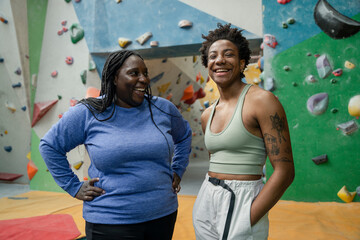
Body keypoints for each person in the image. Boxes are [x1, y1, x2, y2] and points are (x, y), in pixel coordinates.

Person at [39, 50, 192, 240]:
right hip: (110, 221)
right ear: (113, 78)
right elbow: (49, 146)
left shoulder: (162, 108)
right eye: (134, 73)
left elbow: (184, 135)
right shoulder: (89, 112)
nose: (143, 79)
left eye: (145, 73)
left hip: (162, 215)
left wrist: (177, 168)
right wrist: (73, 186)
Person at [192, 23, 295, 240]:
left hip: (244, 199)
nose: (219, 60)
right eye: (213, 56)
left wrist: (248, 217)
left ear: (241, 63)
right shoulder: (206, 114)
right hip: (207, 197)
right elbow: (215, 161)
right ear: (207, 64)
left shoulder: (262, 101)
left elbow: (285, 171)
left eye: (228, 54)